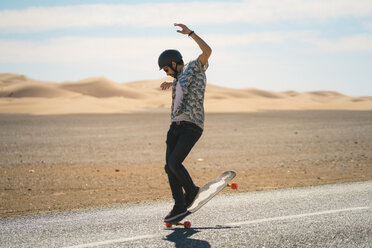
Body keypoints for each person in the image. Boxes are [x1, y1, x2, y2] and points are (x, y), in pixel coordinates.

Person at [158, 23, 212, 222]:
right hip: (175, 127)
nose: (165, 72)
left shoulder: (194, 67)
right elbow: (182, 84)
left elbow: (208, 51)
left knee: (174, 162)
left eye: (166, 68)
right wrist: (171, 83)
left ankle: (192, 191)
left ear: (174, 62)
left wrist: (190, 33)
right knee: (168, 166)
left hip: (191, 126)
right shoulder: (179, 78)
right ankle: (179, 205)